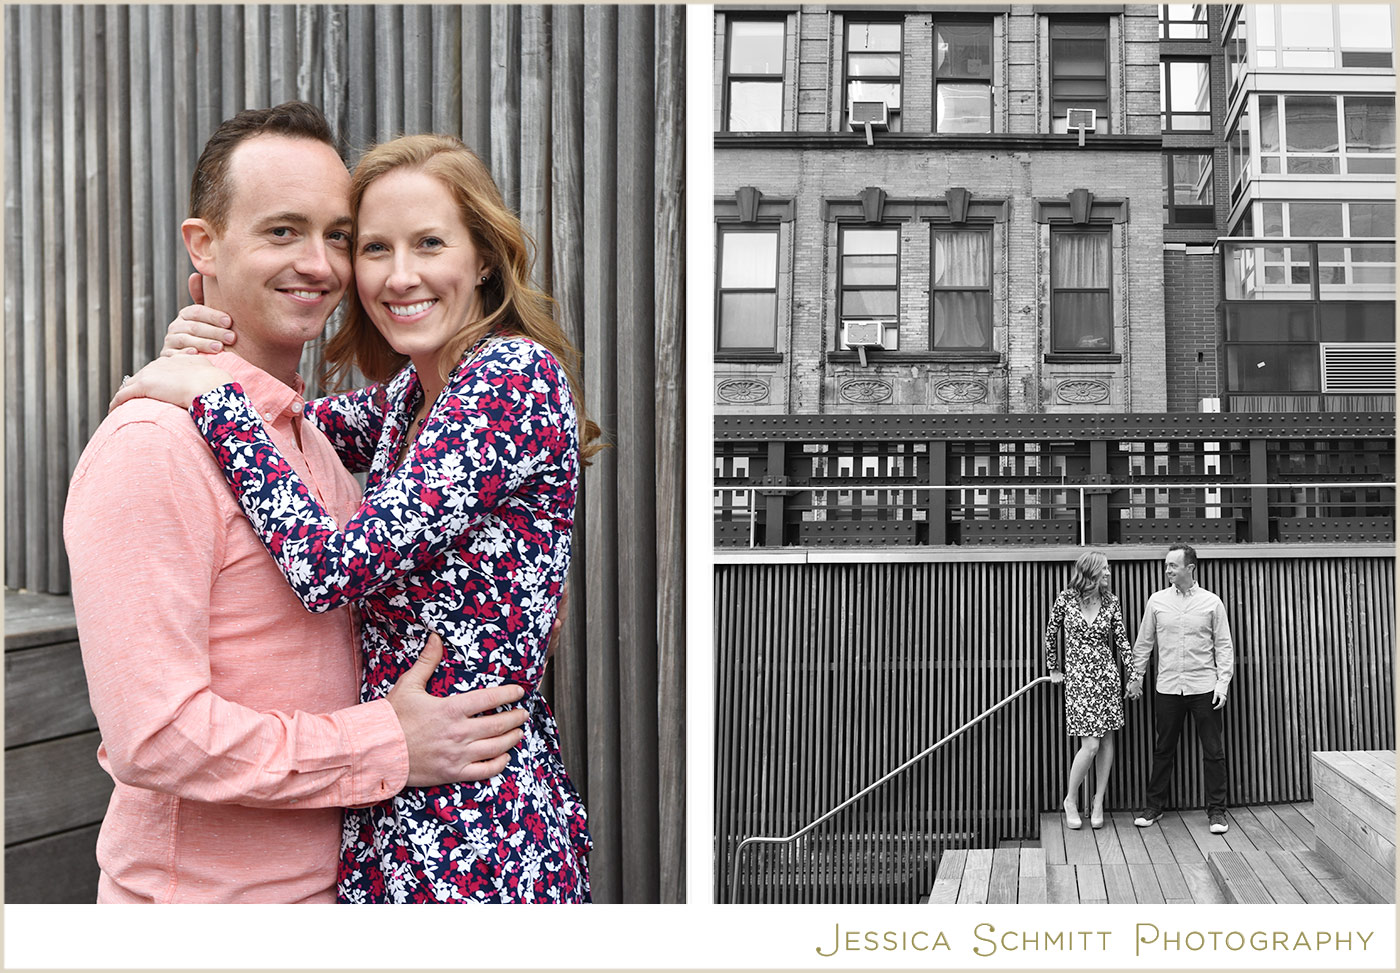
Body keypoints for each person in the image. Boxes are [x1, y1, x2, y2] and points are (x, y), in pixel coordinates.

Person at [65, 103, 532, 904]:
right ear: (203, 246)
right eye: (283, 231)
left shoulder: (312, 440)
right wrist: (383, 743)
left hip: (355, 884)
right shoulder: (154, 445)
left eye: (339, 236)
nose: (319, 263)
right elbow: (154, 737)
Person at [1125, 543, 1235, 835]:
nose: (1167, 570)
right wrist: (1136, 676)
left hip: (1204, 687)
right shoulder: (1157, 601)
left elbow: (1224, 646)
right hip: (1169, 687)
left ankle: (1217, 812)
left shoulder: (1212, 602)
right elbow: (1144, 643)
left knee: (1214, 751)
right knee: (1163, 749)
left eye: (1173, 565)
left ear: (1190, 568)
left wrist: (1222, 684)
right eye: (1167, 565)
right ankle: (1154, 807)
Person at [1043, 551, 1132, 830]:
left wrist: (1133, 674)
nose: (1108, 573)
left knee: (1106, 740)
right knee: (1090, 744)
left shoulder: (1111, 601)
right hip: (1080, 678)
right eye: (1104, 569)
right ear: (1091, 571)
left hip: (1106, 675)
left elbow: (1121, 639)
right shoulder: (1066, 598)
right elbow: (1050, 633)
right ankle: (1070, 800)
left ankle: (1098, 801)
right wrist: (1054, 667)